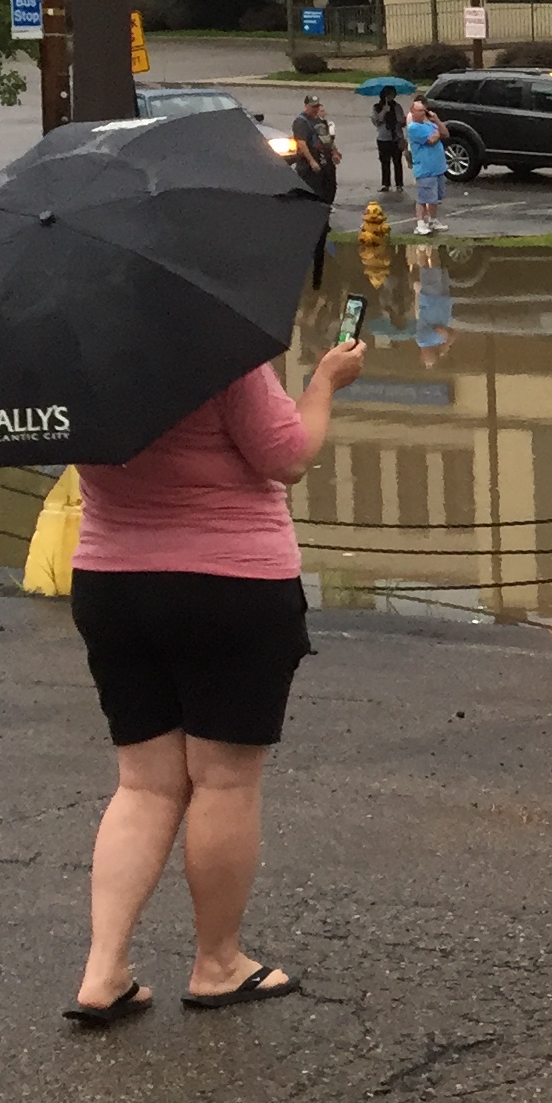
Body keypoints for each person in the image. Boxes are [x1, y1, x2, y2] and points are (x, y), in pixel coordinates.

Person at [62, 325, 365, 1026]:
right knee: (223, 780)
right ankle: (219, 962)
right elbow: (286, 455)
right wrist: (324, 383)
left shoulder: (70, 357)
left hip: (112, 585)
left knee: (142, 783)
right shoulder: (214, 343)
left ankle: (104, 969)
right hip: (229, 584)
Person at [405, 96, 447, 236]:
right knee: (424, 198)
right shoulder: (413, 127)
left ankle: (432, 220)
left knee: (435, 198)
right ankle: (420, 223)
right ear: (412, 112)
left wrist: (437, 121)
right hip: (425, 168)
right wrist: (437, 133)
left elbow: (445, 133)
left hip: (438, 167)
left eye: (424, 110)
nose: (423, 113)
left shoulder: (429, 124)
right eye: (419, 111)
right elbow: (431, 140)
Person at [288, 95, 339, 205]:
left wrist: (335, 152)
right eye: (312, 107)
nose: (315, 109)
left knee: (329, 191)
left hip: (326, 163)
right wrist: (312, 161)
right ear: (306, 106)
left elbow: (327, 138)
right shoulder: (301, 122)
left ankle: (326, 212)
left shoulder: (319, 120)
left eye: (317, 106)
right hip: (310, 167)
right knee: (314, 195)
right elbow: (301, 143)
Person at [371, 85, 407, 194]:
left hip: (396, 137)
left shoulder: (397, 106)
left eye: (393, 95)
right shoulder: (377, 107)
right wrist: (384, 111)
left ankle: (399, 184)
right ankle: (385, 184)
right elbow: (376, 121)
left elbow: (402, 121)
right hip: (383, 138)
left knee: (397, 162)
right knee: (385, 162)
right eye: (390, 95)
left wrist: (401, 120)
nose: (392, 97)